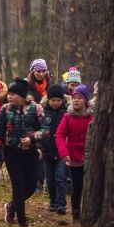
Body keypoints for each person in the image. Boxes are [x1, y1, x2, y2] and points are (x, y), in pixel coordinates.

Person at [0, 78, 48, 227]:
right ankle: (21, 221)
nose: (9, 97)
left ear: (22, 96)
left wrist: (32, 138)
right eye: (9, 94)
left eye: (14, 94)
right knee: (18, 186)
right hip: (12, 153)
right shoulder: (5, 109)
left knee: (30, 187)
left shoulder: (36, 109)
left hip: (31, 153)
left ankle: (11, 206)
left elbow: (46, 130)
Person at [56, 84, 94, 221]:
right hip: (74, 157)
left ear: (86, 101)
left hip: (91, 157)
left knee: (90, 185)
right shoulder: (68, 116)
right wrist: (63, 153)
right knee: (77, 185)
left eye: (79, 98)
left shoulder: (93, 117)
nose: (76, 100)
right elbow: (60, 135)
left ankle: (91, 211)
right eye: (74, 98)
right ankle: (76, 211)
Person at [41, 84, 68, 214]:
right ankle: (53, 201)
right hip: (47, 151)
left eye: (58, 100)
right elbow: (39, 130)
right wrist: (40, 146)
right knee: (50, 179)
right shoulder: (43, 112)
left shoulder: (66, 113)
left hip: (61, 152)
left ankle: (61, 203)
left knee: (60, 177)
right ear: (48, 99)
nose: (56, 103)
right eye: (53, 100)